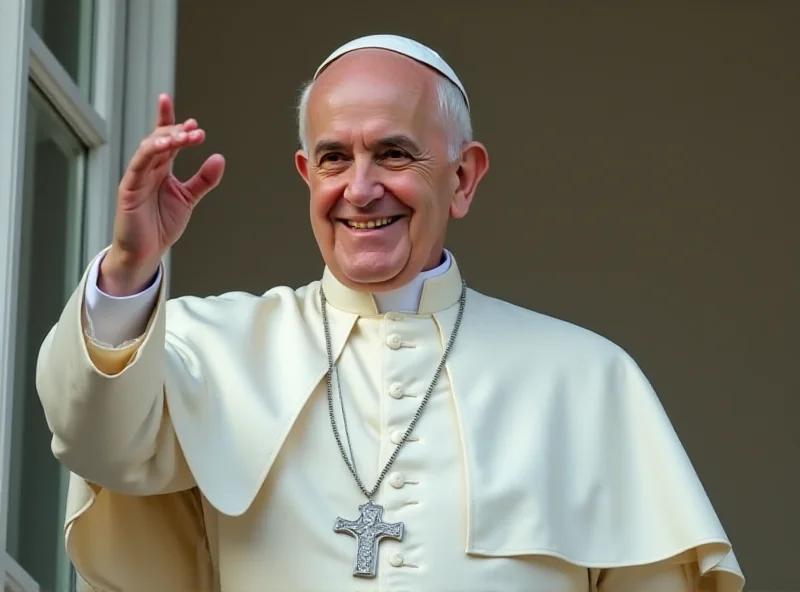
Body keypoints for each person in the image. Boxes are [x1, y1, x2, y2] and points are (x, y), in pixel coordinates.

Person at [36, 34, 744, 591]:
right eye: (335, 158)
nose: (361, 189)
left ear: (463, 177)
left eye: (394, 154)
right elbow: (96, 440)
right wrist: (131, 267)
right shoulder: (206, 344)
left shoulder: (588, 379)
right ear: (307, 175)